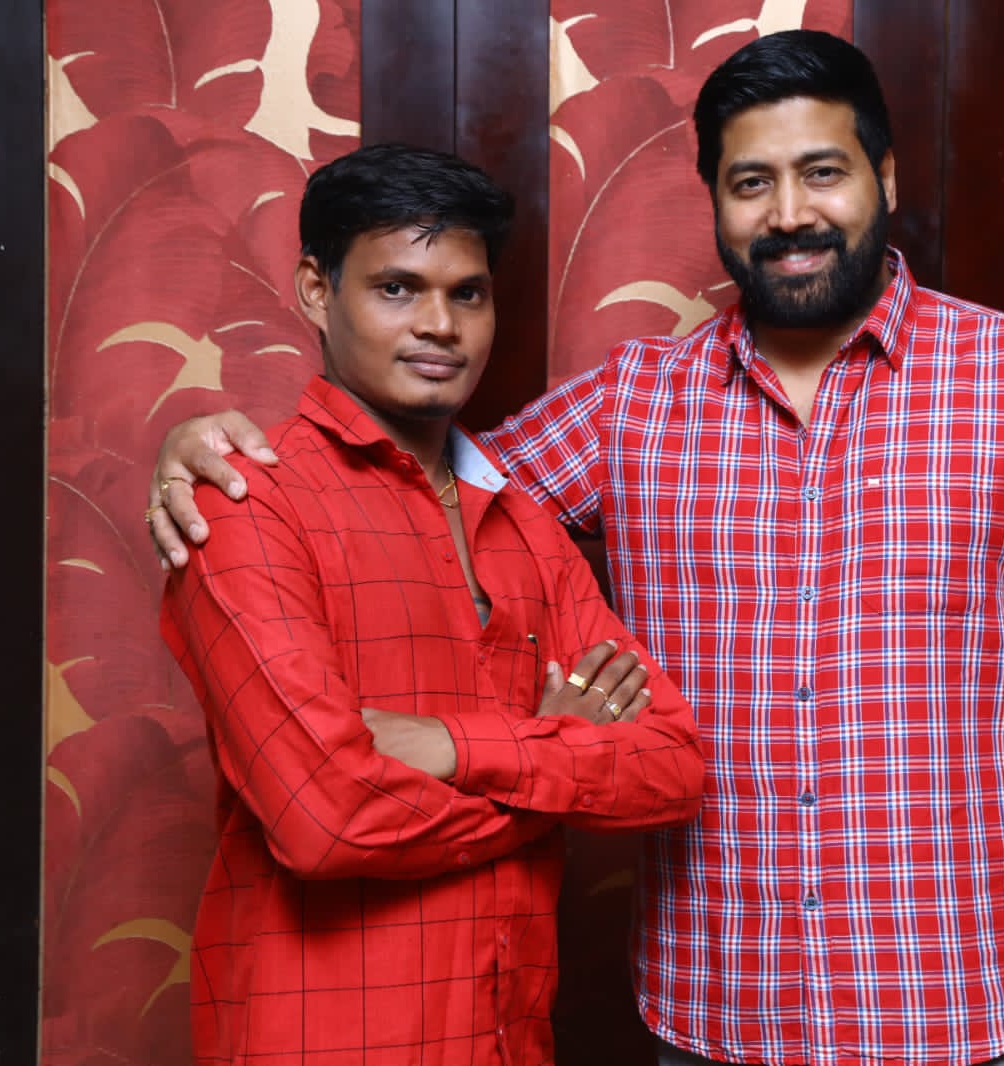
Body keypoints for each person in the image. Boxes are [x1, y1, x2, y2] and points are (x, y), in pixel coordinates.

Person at [150, 31, 1004, 1066]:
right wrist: (211, 450)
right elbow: (418, 473)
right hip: (714, 1014)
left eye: (821, 172)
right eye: (751, 183)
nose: (789, 214)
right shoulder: (633, 405)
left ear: (882, 177)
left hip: (960, 1011)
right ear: (716, 204)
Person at [157, 143, 705, 1066]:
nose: (441, 326)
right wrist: (553, 762)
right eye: (397, 289)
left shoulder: (525, 524)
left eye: (468, 294)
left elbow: (671, 765)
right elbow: (326, 821)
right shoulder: (247, 504)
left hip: (507, 1035)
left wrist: (448, 747)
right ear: (316, 291)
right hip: (323, 1043)